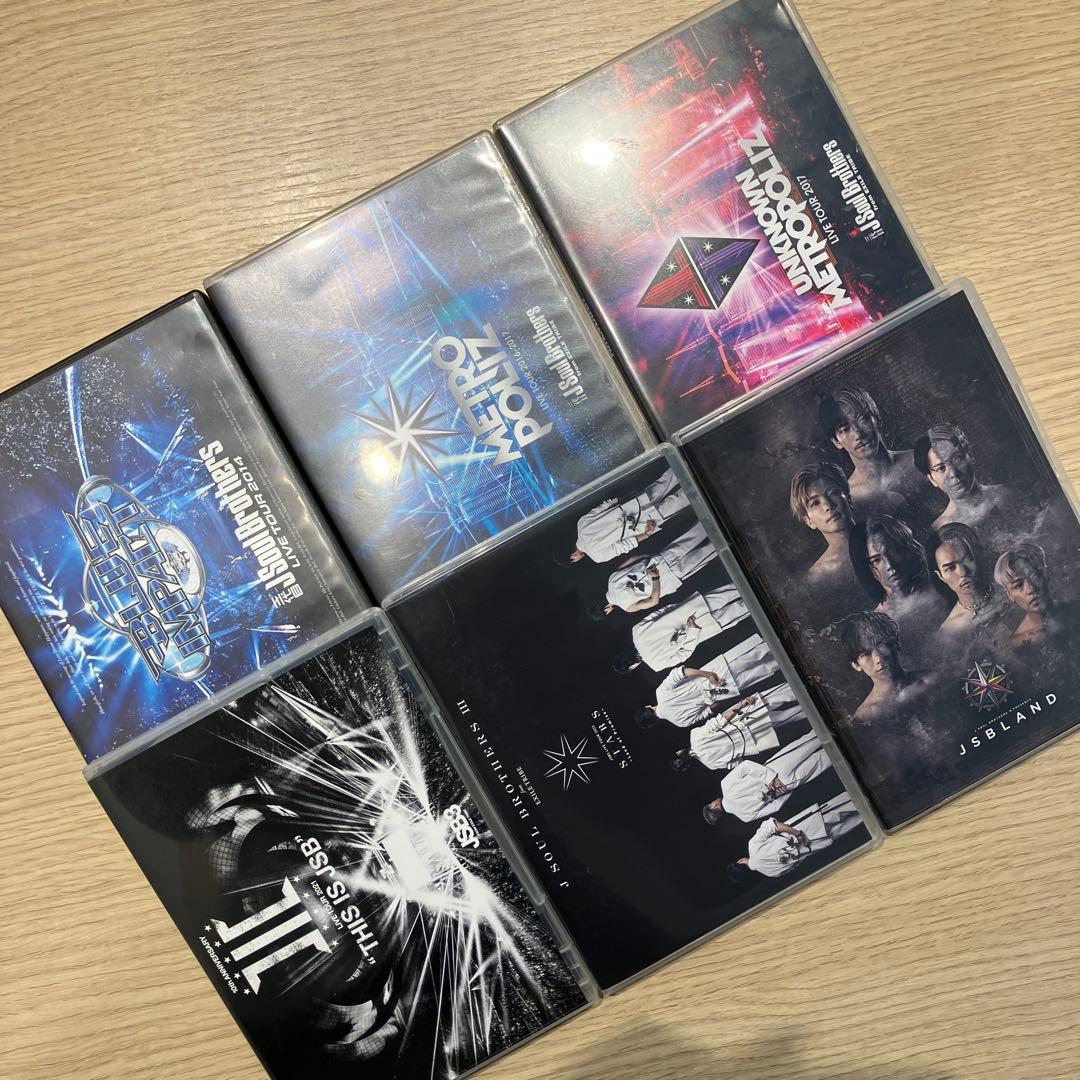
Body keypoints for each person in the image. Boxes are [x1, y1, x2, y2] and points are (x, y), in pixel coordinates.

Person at [637, 640, 797, 728]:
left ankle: (796, 652)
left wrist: (716, 694)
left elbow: (710, 709)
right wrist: (707, 675)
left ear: (654, 722)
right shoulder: (660, 693)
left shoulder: (680, 723)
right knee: (758, 651)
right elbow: (681, 672)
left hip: (725, 690)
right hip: (715, 671)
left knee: (767, 667)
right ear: (648, 707)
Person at [816, 387, 921, 514]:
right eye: (845, 429)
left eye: (862, 419)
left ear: (876, 418)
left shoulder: (919, 460)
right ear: (836, 442)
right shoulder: (850, 499)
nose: (858, 434)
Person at [849, 515, 948, 650]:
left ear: (905, 548)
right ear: (868, 569)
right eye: (876, 560)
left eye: (891, 551)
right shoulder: (876, 626)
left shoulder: (943, 587)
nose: (889, 565)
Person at [556, 467, 688, 565]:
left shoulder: (597, 557)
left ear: (573, 556)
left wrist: (646, 534)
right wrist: (626, 497)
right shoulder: (581, 524)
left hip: (643, 524)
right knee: (666, 480)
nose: (577, 560)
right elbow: (606, 505)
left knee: (681, 499)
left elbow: (625, 545)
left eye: (574, 561)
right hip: (635, 503)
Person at [590, 520, 716, 617]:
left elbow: (653, 601)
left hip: (670, 577)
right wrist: (648, 557)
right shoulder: (611, 579)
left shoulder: (627, 607)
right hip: (659, 560)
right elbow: (631, 559)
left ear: (606, 610)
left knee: (707, 551)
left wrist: (656, 579)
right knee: (695, 534)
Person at [725, 793, 863, 882]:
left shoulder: (771, 873)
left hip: (815, 845)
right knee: (848, 801)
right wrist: (797, 833)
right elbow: (773, 825)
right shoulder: (753, 847)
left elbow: (796, 864)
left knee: (858, 819)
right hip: (806, 826)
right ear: (740, 861)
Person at [702, 729, 832, 823]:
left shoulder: (745, 817)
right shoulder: (725, 785)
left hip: (783, 785)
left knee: (822, 760)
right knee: (809, 741)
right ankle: (839, 723)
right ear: (714, 806)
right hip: (775, 768)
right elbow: (746, 765)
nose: (713, 801)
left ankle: (844, 730)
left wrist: (784, 791)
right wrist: (771, 778)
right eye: (711, 803)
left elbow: (776, 807)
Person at [613, 585, 749, 673]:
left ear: (632, 666)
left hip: (704, 628)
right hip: (690, 609)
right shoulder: (636, 631)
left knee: (742, 608)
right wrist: (680, 608)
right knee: (731, 590)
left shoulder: (656, 665)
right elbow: (661, 611)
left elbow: (684, 654)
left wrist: (693, 631)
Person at [914, 423, 1023, 531]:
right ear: (932, 479)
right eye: (941, 468)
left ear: (970, 455)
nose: (953, 473)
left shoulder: (1012, 493)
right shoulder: (940, 529)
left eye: (957, 459)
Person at [669, 692, 805, 772]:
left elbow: (737, 762)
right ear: (680, 752)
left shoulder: (711, 765)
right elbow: (720, 720)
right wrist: (741, 704)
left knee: (788, 716)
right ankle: (802, 689)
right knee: (774, 698)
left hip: (753, 742)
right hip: (742, 722)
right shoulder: (695, 736)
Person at [842, 610, 935, 723]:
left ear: (896, 643)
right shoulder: (865, 717)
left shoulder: (934, 678)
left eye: (881, 645)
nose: (878, 659)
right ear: (856, 665)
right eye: (866, 654)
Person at [929, 521, 1011, 640]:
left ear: (977, 556)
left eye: (966, 559)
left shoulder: (1013, 590)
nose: (962, 572)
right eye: (950, 568)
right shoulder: (948, 633)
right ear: (941, 576)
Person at [788, 462, 857, 587]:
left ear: (848, 498)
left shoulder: (889, 533)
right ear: (809, 521)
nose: (828, 506)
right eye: (815, 503)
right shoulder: (815, 578)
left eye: (832, 493)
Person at [994, 542, 1061, 647]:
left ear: (1047, 576)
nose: (1031, 588)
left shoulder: (1075, 610)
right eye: (1018, 585)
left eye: (1035, 576)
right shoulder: (1018, 644)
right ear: (1009, 595)